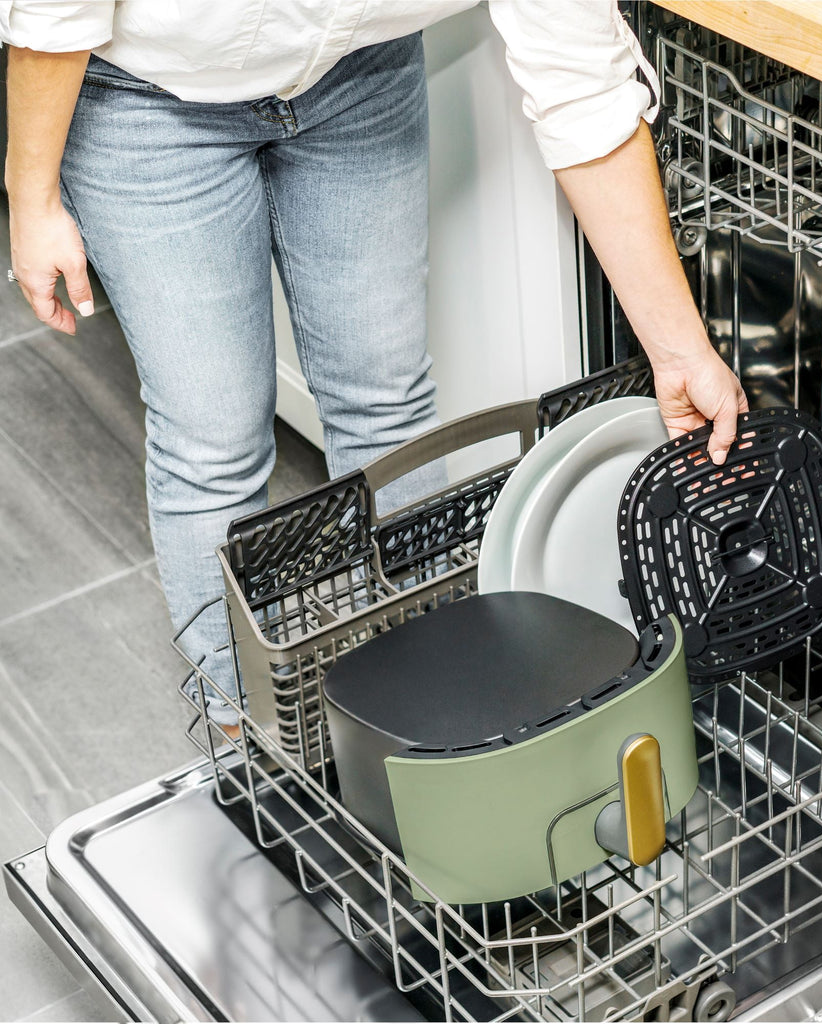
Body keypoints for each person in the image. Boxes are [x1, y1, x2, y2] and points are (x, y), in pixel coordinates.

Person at [2, 1, 748, 734]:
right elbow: (54, 9)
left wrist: (680, 351)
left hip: (357, 72)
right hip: (151, 97)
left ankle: (429, 713)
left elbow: (580, 86)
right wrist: (31, 197)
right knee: (214, 444)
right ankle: (244, 745)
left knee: (387, 406)